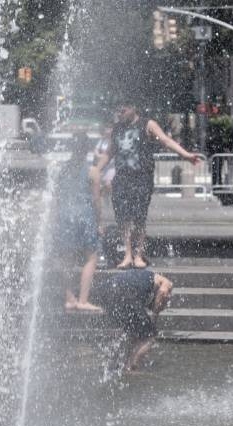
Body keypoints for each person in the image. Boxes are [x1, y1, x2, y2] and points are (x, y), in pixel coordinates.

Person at [97, 102, 201, 269]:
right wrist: (96, 170)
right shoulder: (117, 128)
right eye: (118, 109)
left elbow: (166, 141)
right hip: (122, 179)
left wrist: (186, 155)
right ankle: (127, 255)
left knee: (139, 218)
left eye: (123, 108)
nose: (120, 112)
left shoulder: (148, 124)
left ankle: (138, 255)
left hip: (141, 178)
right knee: (123, 219)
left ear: (133, 107)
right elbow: (109, 153)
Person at [55, 132, 102, 312]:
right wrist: (98, 222)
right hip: (85, 216)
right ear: (87, 149)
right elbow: (97, 201)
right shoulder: (92, 171)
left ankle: (69, 298)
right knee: (91, 257)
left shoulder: (62, 170)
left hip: (65, 216)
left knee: (66, 258)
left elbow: (58, 198)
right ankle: (83, 300)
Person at [98, 269, 173, 372]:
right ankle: (132, 367)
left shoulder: (144, 277)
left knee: (132, 332)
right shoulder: (166, 283)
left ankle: (115, 363)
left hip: (106, 290)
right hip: (124, 292)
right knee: (149, 337)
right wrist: (155, 315)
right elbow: (163, 292)